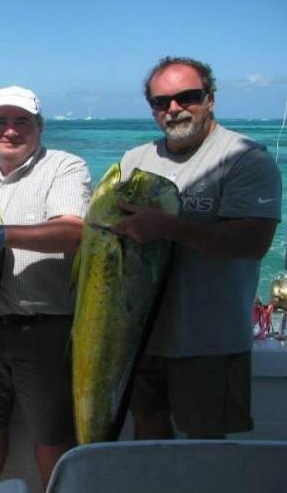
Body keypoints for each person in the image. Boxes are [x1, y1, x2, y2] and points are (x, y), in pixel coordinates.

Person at [112, 56, 281, 440]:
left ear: (210, 98)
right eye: (161, 101)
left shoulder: (245, 158)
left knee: (205, 445)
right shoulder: (135, 160)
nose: (174, 108)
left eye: (187, 96)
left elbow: (253, 242)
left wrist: (166, 226)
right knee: (147, 430)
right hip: (140, 334)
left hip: (209, 339)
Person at [0, 86, 91, 491]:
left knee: (52, 434)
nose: (10, 131)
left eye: (22, 121)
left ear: (40, 127)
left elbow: (72, 232)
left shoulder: (65, 166)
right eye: (0, 122)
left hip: (46, 327)